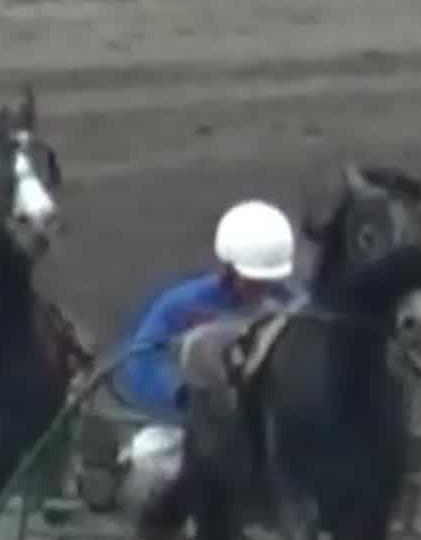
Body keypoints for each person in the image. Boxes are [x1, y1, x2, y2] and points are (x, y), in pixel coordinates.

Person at [108, 198, 301, 520]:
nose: (259, 288)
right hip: (197, 432)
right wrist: (181, 394)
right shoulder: (183, 306)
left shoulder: (296, 307)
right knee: (148, 456)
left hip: (273, 435)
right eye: (251, 279)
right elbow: (141, 360)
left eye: (267, 281)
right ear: (227, 265)